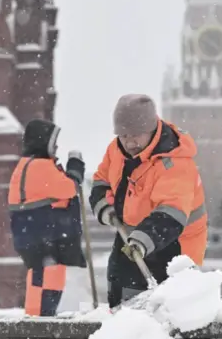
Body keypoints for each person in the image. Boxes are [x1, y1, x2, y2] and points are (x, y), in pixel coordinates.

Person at [89, 94, 208, 308]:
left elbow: (170, 215)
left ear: (152, 130)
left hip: (175, 243)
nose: (130, 142)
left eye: (136, 135)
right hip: (131, 234)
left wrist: (142, 241)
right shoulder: (116, 150)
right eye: (124, 135)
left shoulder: (174, 163)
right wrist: (105, 207)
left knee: (168, 309)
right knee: (121, 289)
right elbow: (101, 181)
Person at [8, 118, 87, 317]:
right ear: (44, 142)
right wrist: (75, 166)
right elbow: (70, 188)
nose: (57, 146)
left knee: (39, 274)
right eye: (54, 142)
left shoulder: (26, 165)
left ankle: (38, 317)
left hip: (32, 234)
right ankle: (42, 319)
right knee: (47, 275)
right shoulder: (40, 167)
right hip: (45, 235)